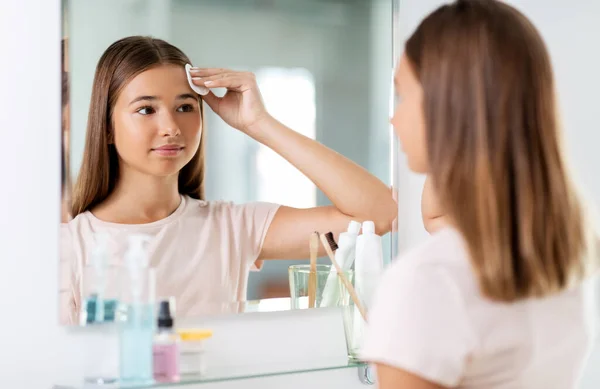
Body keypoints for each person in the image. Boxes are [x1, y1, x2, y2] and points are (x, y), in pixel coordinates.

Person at [60, 36, 397, 324]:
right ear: (105, 126)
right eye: (147, 110)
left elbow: (379, 215)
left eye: (185, 107)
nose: (171, 127)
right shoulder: (70, 247)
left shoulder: (232, 227)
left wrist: (258, 123)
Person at [360, 1, 599, 388]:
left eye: (403, 96)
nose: (394, 118)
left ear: (448, 107)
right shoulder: (564, 255)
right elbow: (439, 216)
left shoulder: (427, 281)